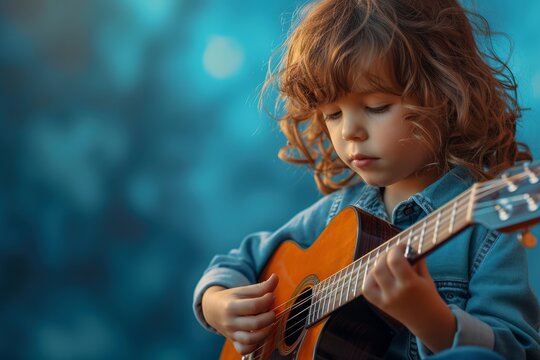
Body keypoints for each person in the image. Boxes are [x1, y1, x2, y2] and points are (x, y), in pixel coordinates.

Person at [193, 0, 540, 358]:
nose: (350, 131)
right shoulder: (336, 215)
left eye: (376, 107)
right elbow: (240, 262)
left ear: (447, 95)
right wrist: (218, 303)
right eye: (332, 114)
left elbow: (518, 350)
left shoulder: (485, 227)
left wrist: (430, 319)